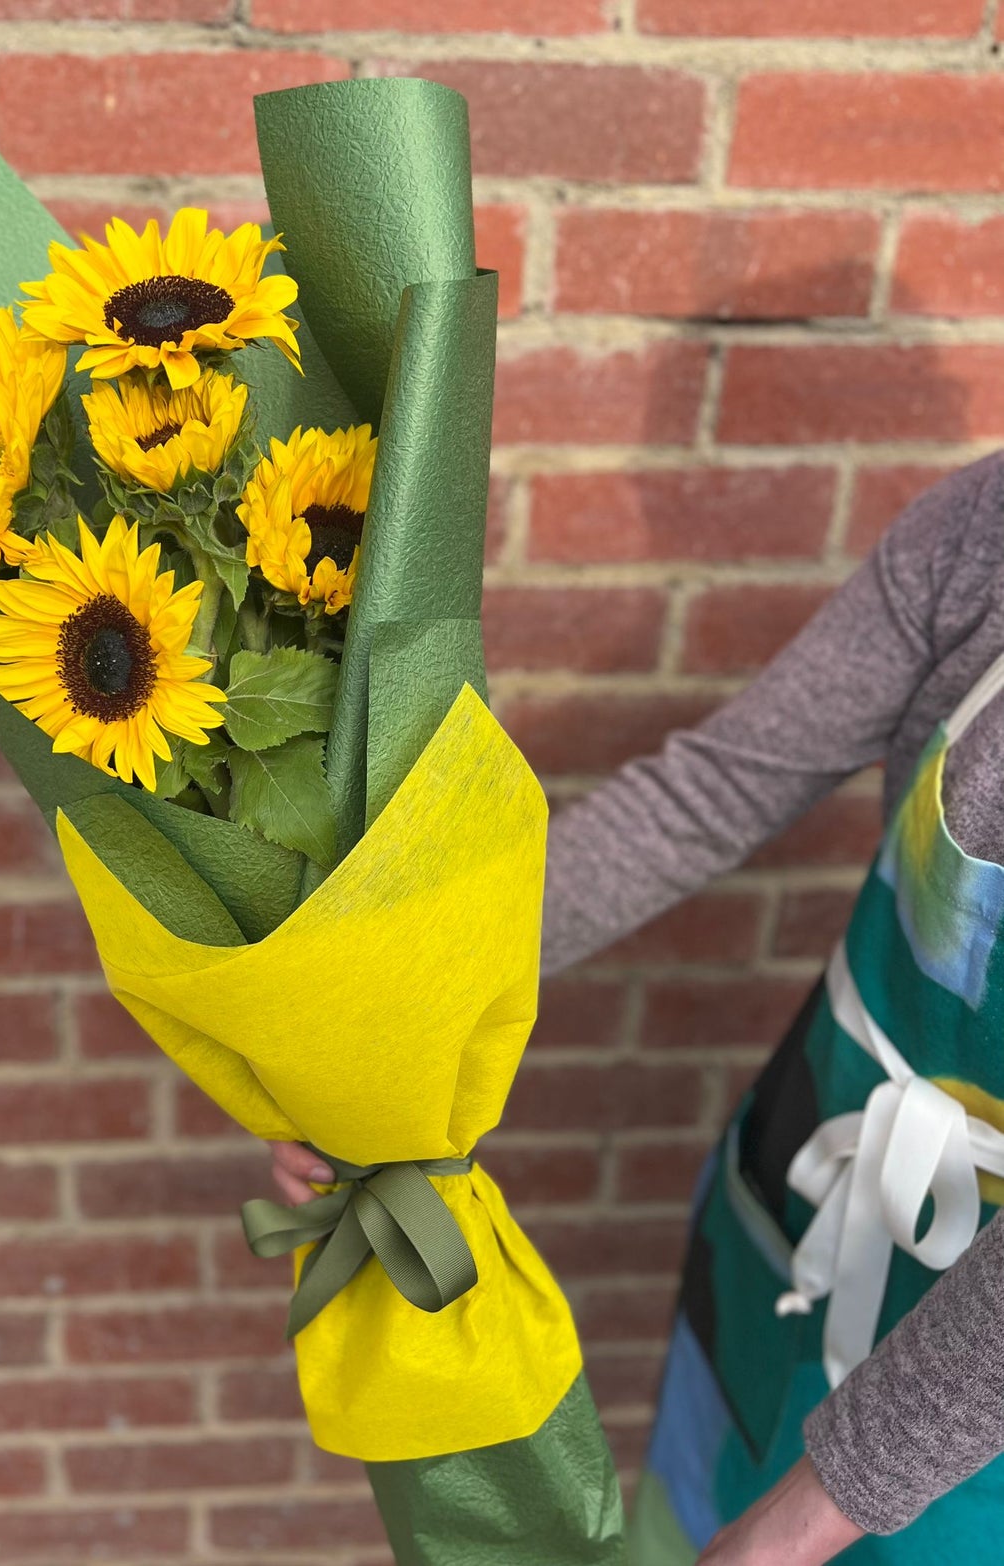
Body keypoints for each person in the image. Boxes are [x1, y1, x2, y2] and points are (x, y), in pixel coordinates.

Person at [268, 452, 1004, 1563]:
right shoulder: (983, 534)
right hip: (807, 1187)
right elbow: (708, 793)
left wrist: (805, 1517)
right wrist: (397, 1025)